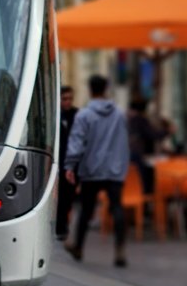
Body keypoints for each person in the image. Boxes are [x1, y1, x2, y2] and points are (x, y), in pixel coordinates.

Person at [64, 75, 130, 267]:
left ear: (90, 90)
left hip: (91, 169)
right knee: (117, 208)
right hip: (115, 170)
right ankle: (120, 251)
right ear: (106, 89)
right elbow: (125, 141)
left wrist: (70, 165)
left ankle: (78, 247)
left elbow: (76, 143)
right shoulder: (119, 114)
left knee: (86, 209)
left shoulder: (84, 115)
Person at [126, 98, 171, 193]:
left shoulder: (128, 120)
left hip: (130, 154)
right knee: (144, 181)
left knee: (134, 180)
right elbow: (152, 135)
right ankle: (144, 202)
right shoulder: (140, 120)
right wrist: (167, 131)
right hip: (140, 156)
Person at [55, 86, 79, 240]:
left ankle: (64, 224)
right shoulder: (54, 115)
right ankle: (60, 227)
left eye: (70, 99)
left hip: (74, 162)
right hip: (59, 161)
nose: (68, 102)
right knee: (61, 196)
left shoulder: (77, 115)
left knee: (69, 196)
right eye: (64, 99)